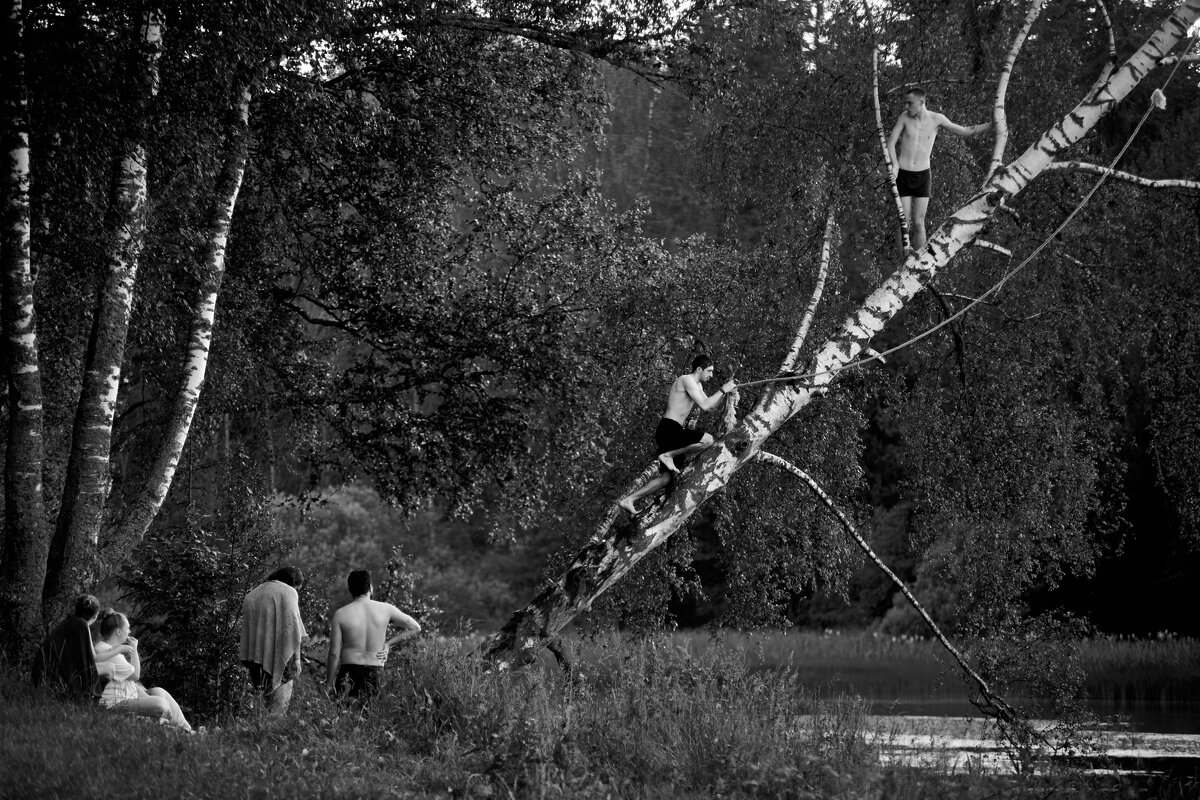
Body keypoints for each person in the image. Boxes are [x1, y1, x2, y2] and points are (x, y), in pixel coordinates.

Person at [617, 355, 736, 515]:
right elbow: (703, 405)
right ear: (699, 369)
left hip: (673, 431)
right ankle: (669, 455)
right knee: (708, 440)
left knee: (667, 479)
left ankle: (629, 500)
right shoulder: (686, 380)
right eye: (709, 371)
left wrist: (725, 393)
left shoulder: (698, 386)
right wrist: (722, 389)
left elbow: (710, 407)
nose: (711, 375)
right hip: (669, 428)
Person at [886, 87, 992, 249]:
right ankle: (902, 265)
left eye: (910, 103)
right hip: (903, 174)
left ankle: (917, 261)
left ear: (921, 102)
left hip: (922, 176)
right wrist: (894, 166)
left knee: (918, 222)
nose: (906, 107)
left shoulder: (937, 119)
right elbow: (891, 143)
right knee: (903, 223)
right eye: (905, 103)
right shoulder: (904, 118)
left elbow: (965, 131)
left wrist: (992, 124)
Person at [325, 569, 420, 704]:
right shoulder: (386, 609)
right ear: (370, 588)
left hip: (348, 673)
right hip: (375, 673)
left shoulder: (340, 614)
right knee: (371, 720)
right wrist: (388, 644)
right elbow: (415, 628)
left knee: (346, 720)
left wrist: (329, 683)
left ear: (350, 589)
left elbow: (334, 653)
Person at [93, 609, 193, 732]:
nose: (129, 631)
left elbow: (131, 681)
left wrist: (146, 694)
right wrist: (134, 649)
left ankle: (186, 728)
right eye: (128, 628)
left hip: (127, 698)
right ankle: (176, 728)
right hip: (115, 704)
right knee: (162, 704)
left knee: (158, 691)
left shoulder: (110, 648)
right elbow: (135, 675)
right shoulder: (109, 651)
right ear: (118, 631)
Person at [239, 566, 307, 714]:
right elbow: (293, 627)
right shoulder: (289, 592)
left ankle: (258, 733)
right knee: (277, 711)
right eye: (298, 587)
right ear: (293, 583)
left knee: (262, 702)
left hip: (255, 658)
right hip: (281, 655)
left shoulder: (253, 593)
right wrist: (296, 659)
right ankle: (273, 734)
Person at [31, 594, 112, 700]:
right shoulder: (81, 625)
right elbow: (89, 660)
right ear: (95, 615)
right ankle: (92, 700)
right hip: (53, 678)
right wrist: (119, 649)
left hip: (42, 676)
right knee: (110, 668)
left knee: (108, 669)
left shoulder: (71, 621)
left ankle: (92, 699)